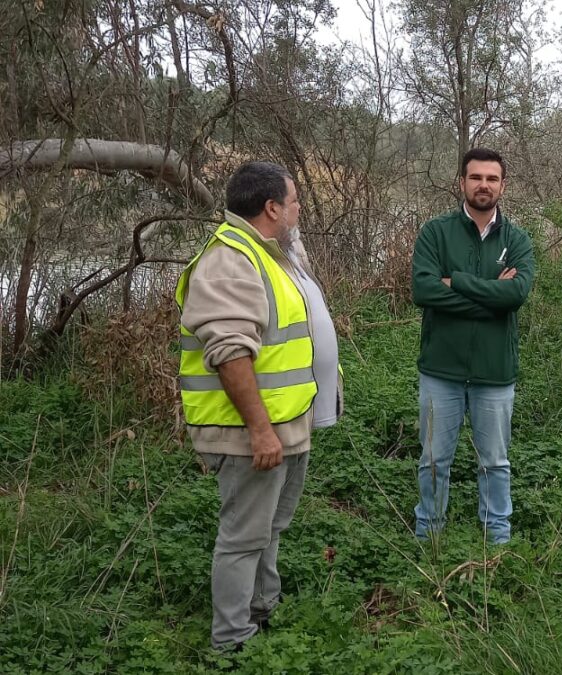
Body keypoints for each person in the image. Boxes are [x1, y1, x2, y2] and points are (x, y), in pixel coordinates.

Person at [176, 161, 342, 650]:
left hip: (287, 422)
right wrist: (261, 430)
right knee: (244, 535)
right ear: (271, 208)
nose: (299, 210)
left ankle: (262, 605)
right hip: (254, 432)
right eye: (293, 202)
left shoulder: (273, 251)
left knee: (270, 526)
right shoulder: (231, 259)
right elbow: (230, 354)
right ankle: (233, 640)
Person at [410, 148, 535, 544]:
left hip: (494, 373)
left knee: (495, 463)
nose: (484, 185)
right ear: (461, 182)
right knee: (432, 461)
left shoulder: (517, 239)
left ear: (503, 185)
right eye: (476, 177)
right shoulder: (435, 232)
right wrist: (489, 294)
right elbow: (423, 289)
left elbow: (514, 295)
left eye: (492, 178)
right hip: (440, 370)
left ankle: (497, 534)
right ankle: (429, 532)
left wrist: (457, 281)